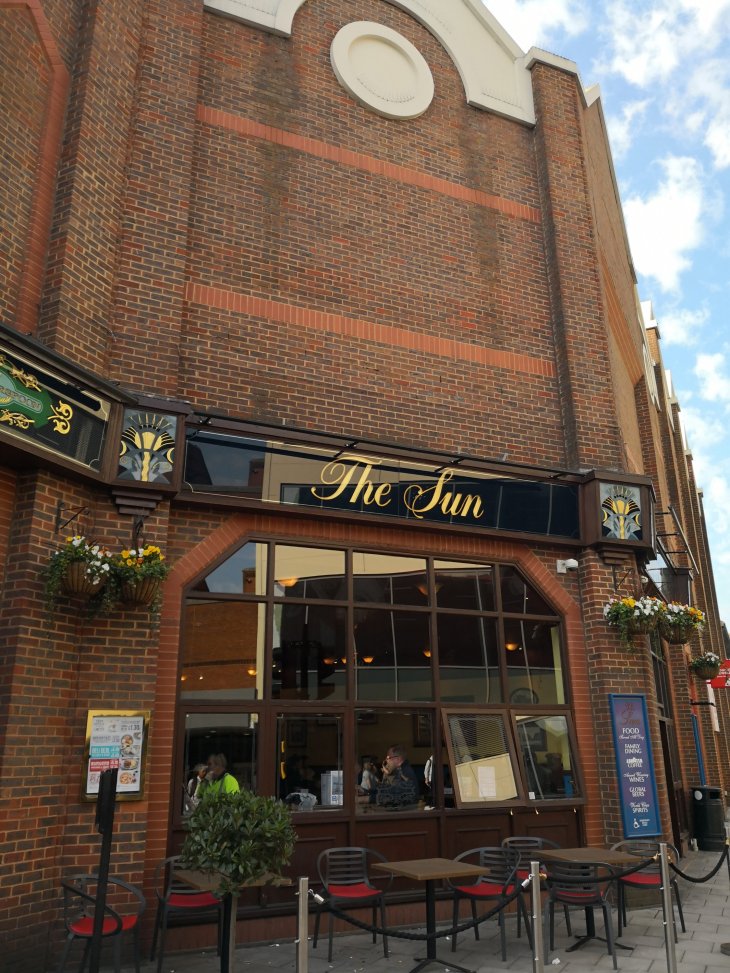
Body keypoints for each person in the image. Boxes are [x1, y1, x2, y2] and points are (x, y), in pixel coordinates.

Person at [376, 744, 419, 809]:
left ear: (398, 759)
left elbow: (393, 794)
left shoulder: (405, 772)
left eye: (388, 757)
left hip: (405, 812)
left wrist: (369, 798)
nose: (386, 760)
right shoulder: (397, 770)